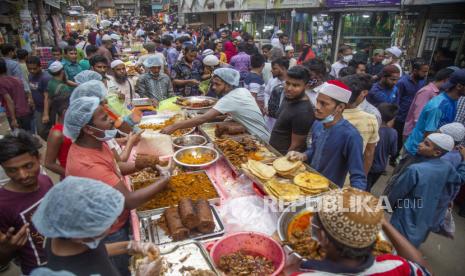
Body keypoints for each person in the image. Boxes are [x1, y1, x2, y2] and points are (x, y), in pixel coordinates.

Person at [63, 96, 171, 275]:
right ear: (88, 129)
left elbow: (116, 167)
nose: (112, 120)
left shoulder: (96, 142)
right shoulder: (86, 164)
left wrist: (143, 165)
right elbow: (129, 201)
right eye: (104, 118)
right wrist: (164, 179)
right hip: (108, 233)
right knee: (119, 269)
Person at [31, 176, 162, 275]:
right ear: (81, 235)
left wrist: (129, 246)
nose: (115, 222)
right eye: (106, 223)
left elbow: (97, 251)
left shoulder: (61, 235)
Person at [293, 187, 432, 275]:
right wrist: (380, 221)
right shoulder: (395, 266)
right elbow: (422, 267)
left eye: (315, 225)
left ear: (323, 237)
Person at [388, 133, 465, 247]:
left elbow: (396, 193)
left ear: (437, 153)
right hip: (426, 217)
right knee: (410, 246)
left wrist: (384, 207)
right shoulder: (447, 167)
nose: (420, 144)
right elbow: (460, 178)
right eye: (423, 141)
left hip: (405, 215)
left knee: (392, 244)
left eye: (426, 144)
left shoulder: (415, 170)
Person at [287, 80, 366, 190]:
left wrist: (356, 197)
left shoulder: (351, 136)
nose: (317, 107)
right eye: (317, 101)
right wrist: (303, 155)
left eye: (324, 104)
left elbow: (358, 176)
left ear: (340, 107)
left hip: (327, 192)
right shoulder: (318, 124)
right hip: (306, 182)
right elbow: (314, 150)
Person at [161, 68, 270, 141]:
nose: (213, 87)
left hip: (259, 138)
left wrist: (174, 126)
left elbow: (202, 119)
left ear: (228, 84)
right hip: (260, 133)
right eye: (213, 84)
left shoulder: (230, 98)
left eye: (217, 84)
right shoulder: (242, 91)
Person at [0, 130, 53, 275]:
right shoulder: (2, 204)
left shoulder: (45, 180)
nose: (23, 175)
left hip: (64, 260)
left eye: (28, 166)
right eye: (12, 170)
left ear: (39, 159)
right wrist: (6, 250)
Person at [403, 69, 465, 157]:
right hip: (417, 152)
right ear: (459, 86)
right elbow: (429, 135)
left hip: (429, 151)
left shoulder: (453, 101)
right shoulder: (438, 106)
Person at [269, 66, 314, 155]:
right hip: (273, 152)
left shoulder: (303, 111)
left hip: (283, 157)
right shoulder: (288, 97)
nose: (289, 88)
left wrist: (283, 163)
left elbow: (296, 146)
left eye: (296, 85)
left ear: (306, 86)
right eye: (288, 83)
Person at [341, 74, 380, 174]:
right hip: (351, 177)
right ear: (361, 94)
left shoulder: (330, 115)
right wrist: (362, 178)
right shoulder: (371, 118)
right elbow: (369, 153)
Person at [403, 68, 454, 138]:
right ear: (446, 80)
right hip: (414, 134)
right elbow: (417, 116)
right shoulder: (427, 91)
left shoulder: (437, 92)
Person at [395, 58, 429, 144]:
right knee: (398, 141)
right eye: (423, 71)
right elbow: (396, 100)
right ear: (415, 70)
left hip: (414, 119)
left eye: (426, 72)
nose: (425, 74)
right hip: (401, 118)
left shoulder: (422, 82)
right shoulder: (402, 82)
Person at [368, 103, 399, 191]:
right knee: (368, 187)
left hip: (366, 164)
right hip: (380, 167)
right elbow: (393, 152)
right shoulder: (393, 133)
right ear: (391, 119)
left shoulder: (371, 127)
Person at [0, 58, 32, 131]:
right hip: (25, 111)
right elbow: (25, 93)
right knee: (28, 135)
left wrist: (13, 118)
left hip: (16, 114)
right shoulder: (17, 79)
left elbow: (9, 101)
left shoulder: (1, 83)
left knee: (18, 138)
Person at [44, 95, 71, 178]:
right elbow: (49, 163)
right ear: (65, 112)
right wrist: (71, 175)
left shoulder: (71, 126)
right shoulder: (57, 133)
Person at [26, 56, 52, 138]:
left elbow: (47, 97)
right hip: (38, 108)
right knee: (41, 131)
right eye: (29, 69)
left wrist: (46, 113)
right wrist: (31, 99)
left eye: (34, 68)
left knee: (43, 130)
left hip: (47, 108)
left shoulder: (45, 78)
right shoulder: (30, 75)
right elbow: (32, 89)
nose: (32, 71)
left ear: (40, 66)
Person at [265, 57, 289, 131]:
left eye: (274, 68)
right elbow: (266, 93)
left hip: (284, 119)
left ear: (283, 69)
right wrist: (266, 106)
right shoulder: (272, 81)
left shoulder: (291, 83)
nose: (271, 71)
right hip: (270, 117)